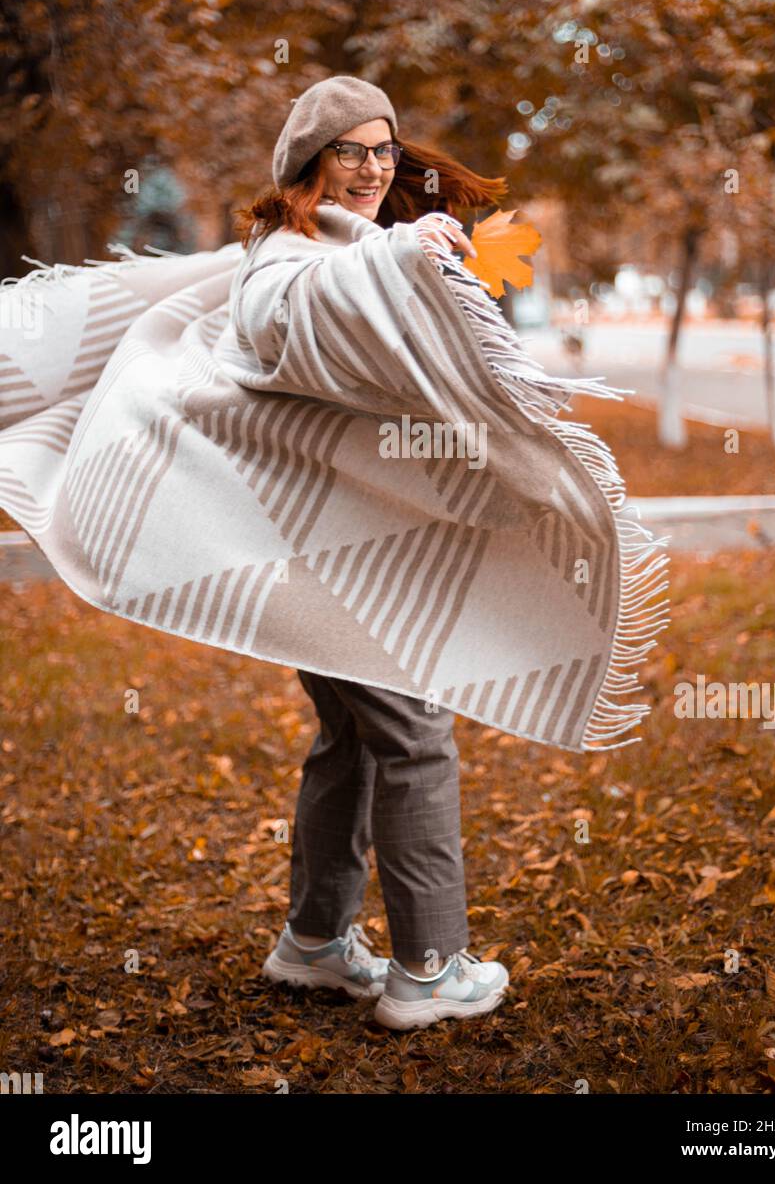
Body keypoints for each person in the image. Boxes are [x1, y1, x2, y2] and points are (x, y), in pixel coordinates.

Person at [236, 75, 511, 1030]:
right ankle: (431, 968)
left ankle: (314, 942)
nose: (370, 167)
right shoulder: (288, 255)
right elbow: (290, 312)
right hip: (333, 550)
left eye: (383, 150)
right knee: (415, 737)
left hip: (324, 542)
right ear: (307, 164)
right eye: (348, 150)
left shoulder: (337, 243)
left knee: (352, 739)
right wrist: (397, 249)